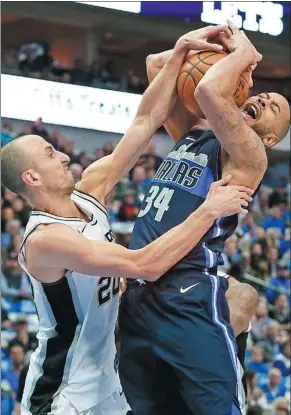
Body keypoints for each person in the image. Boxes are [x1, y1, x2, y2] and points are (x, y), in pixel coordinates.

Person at [0, 25, 249, 415]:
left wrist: (181, 51)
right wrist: (210, 209)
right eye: (51, 154)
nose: (65, 156)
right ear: (31, 178)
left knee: (241, 298)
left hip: (112, 380)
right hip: (65, 392)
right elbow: (144, 265)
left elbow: (145, 120)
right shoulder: (46, 240)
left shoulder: (92, 188)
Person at [118, 21, 290, 415]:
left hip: (188, 292)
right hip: (141, 291)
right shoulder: (193, 134)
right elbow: (156, 66)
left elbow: (208, 90)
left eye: (273, 108)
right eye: (261, 95)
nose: (262, 101)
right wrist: (194, 46)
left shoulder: (250, 156)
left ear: (270, 138)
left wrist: (243, 53)